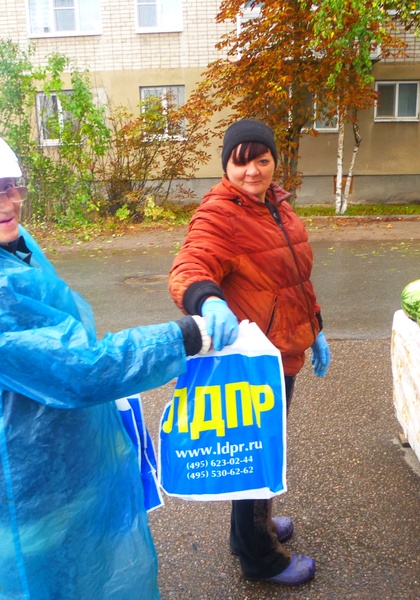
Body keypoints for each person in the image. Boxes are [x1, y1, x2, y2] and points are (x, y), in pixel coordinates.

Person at [0, 120, 216, 599]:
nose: (6, 202)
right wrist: (184, 337)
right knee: (38, 579)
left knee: (71, 569)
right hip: (8, 477)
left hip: (40, 459)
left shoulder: (1, 246)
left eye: (10, 186)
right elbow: (76, 367)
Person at [168, 118, 331, 586]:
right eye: (242, 163)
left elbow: (294, 278)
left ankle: (251, 529)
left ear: (274, 161)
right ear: (227, 165)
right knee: (258, 454)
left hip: (287, 351)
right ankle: (261, 558)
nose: (253, 172)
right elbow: (190, 264)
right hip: (255, 360)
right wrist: (207, 297)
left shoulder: (275, 205)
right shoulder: (221, 212)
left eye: (262, 161)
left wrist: (314, 327)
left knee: (265, 449)